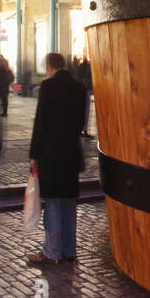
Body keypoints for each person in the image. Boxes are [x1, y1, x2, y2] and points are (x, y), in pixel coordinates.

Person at [27, 51, 86, 266]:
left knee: (52, 202)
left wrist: (34, 154)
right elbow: (81, 122)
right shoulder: (79, 88)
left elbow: (40, 123)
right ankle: (69, 250)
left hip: (51, 153)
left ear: (50, 67)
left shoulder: (48, 87)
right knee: (69, 202)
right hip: (71, 152)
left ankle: (52, 252)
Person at [77, 55, 94, 138]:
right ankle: (85, 130)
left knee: (81, 109)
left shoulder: (79, 66)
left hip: (81, 90)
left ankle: (81, 129)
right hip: (87, 89)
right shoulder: (89, 67)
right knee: (86, 110)